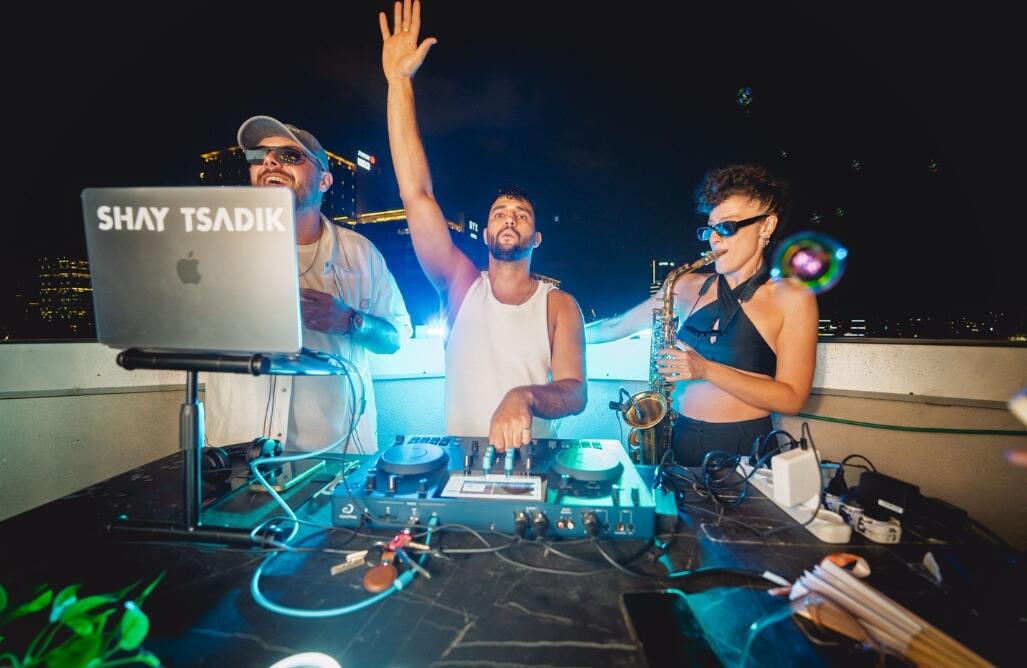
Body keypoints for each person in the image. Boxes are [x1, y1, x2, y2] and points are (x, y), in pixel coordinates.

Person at [379, 0, 586, 451]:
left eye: (521, 215)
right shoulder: (461, 284)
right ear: (487, 234)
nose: (510, 218)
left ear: (536, 237)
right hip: (461, 464)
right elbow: (417, 194)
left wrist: (523, 396)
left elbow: (575, 392)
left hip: (534, 465)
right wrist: (399, 82)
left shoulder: (559, 305)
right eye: (499, 213)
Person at [205, 115, 412, 454]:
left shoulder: (360, 254)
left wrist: (350, 321)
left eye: (289, 155)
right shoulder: (215, 248)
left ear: (325, 181)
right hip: (238, 451)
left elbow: (397, 337)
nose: (270, 162)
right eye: (258, 156)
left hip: (335, 453)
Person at [586, 164, 818, 465]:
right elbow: (615, 326)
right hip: (678, 439)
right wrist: (550, 330)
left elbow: (792, 399)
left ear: (766, 226)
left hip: (745, 447)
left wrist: (705, 369)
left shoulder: (792, 297)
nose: (714, 239)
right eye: (710, 228)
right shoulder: (684, 286)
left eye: (727, 227)